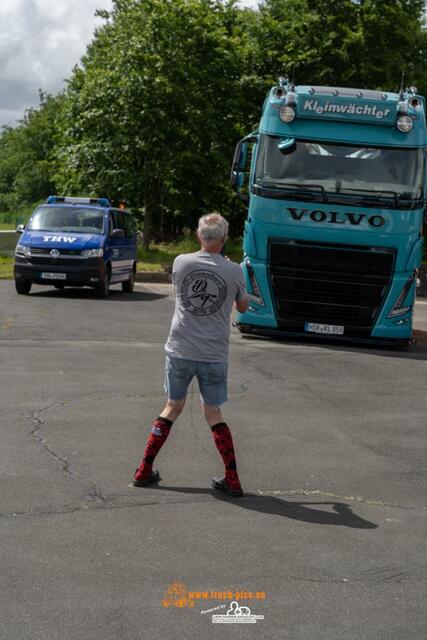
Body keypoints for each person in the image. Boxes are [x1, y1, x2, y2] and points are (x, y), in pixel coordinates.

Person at [132, 213, 249, 496]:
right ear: (223, 240)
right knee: (213, 412)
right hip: (213, 353)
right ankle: (232, 478)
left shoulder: (181, 262)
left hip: (180, 349)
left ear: (199, 236)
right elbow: (243, 307)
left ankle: (143, 469)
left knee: (172, 406)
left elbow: (181, 292)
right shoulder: (234, 271)